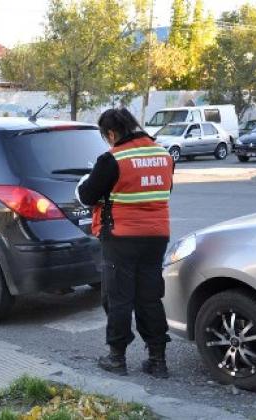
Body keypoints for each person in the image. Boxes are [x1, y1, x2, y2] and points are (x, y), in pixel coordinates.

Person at [76, 108, 173, 378]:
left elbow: (87, 195)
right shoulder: (163, 155)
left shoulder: (112, 158)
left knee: (117, 298)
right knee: (150, 298)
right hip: (157, 237)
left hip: (121, 238)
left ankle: (116, 358)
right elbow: (163, 190)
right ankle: (158, 359)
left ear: (111, 133)